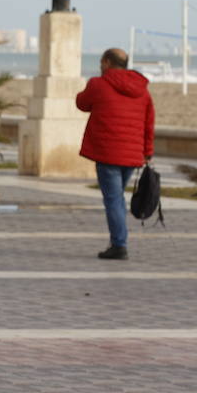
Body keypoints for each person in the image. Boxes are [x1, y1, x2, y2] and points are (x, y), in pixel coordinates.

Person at [75, 47, 155, 260]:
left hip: (107, 153)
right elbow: (149, 123)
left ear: (107, 63)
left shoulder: (98, 84)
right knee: (117, 198)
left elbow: (82, 103)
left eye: (102, 62)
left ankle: (119, 244)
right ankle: (118, 241)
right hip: (132, 155)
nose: (100, 66)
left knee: (114, 199)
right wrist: (147, 151)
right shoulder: (142, 89)